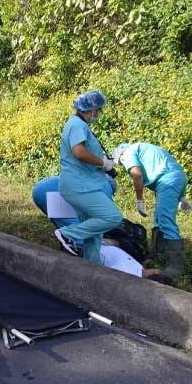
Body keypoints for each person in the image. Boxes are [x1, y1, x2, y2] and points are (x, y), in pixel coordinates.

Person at [54, 90, 122, 264]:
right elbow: (79, 152)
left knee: (94, 232)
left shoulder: (77, 124)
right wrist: (102, 163)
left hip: (80, 185)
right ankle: (68, 234)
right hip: (81, 187)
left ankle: (93, 266)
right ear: (90, 109)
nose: (98, 114)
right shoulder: (77, 125)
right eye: (97, 110)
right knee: (112, 217)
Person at [112, 142, 190, 278]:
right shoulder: (144, 148)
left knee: (166, 220)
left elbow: (137, 175)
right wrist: (182, 197)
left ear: (120, 156)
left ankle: (176, 266)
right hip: (176, 178)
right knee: (158, 218)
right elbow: (172, 167)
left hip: (167, 181)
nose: (124, 166)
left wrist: (140, 201)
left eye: (121, 163)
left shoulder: (128, 153)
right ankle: (157, 255)